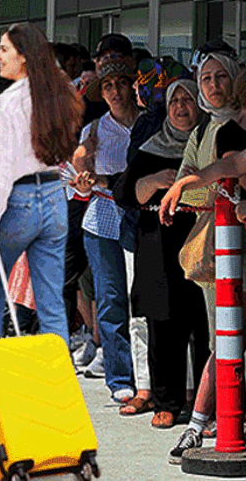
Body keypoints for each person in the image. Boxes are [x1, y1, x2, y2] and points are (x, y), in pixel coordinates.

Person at [0, 23, 84, 351]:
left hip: (20, 199)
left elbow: (4, 168)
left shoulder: (10, 102)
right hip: (54, 197)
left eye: (5, 50)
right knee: (50, 296)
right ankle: (56, 365)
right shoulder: (59, 99)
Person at [113, 77, 209, 429]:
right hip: (158, 243)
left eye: (188, 100)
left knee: (205, 323)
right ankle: (166, 400)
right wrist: (155, 181)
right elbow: (125, 194)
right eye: (175, 102)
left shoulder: (209, 143)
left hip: (201, 240)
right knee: (162, 324)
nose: (181, 108)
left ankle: (205, 403)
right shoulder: (152, 146)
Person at [162, 50, 241, 463]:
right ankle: (198, 425)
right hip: (216, 249)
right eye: (206, 78)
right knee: (220, 339)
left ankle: (245, 425)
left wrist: (201, 188)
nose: (213, 85)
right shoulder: (203, 129)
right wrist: (208, 191)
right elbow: (185, 186)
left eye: (220, 76)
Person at [71, 51, 140, 402]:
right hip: (102, 220)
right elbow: (80, 176)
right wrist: (84, 180)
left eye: (120, 83)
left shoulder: (149, 123)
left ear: (132, 86)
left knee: (142, 298)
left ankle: (146, 376)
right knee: (111, 298)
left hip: (142, 218)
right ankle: (119, 377)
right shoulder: (95, 129)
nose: (115, 91)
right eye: (108, 86)